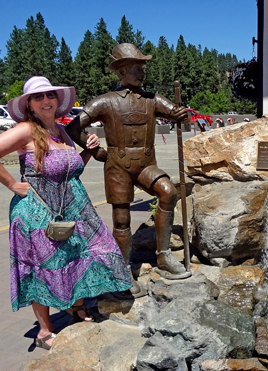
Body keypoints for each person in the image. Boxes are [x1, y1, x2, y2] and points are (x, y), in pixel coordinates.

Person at [0, 76, 132, 350]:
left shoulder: (59, 131)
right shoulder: (26, 130)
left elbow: (69, 170)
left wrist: (87, 151)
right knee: (43, 270)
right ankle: (44, 330)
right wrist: (12, 184)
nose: (46, 101)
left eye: (50, 95)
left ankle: (77, 306)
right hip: (38, 213)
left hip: (71, 207)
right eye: (38, 97)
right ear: (29, 105)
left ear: (58, 100)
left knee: (82, 257)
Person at [66, 43, 192, 297]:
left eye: (142, 67)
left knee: (168, 192)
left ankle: (164, 256)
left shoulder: (151, 99)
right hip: (118, 167)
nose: (142, 72)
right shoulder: (105, 102)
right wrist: (94, 150)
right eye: (136, 68)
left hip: (146, 164)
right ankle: (122, 270)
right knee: (121, 220)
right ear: (122, 72)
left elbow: (179, 115)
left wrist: (179, 113)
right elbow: (72, 128)